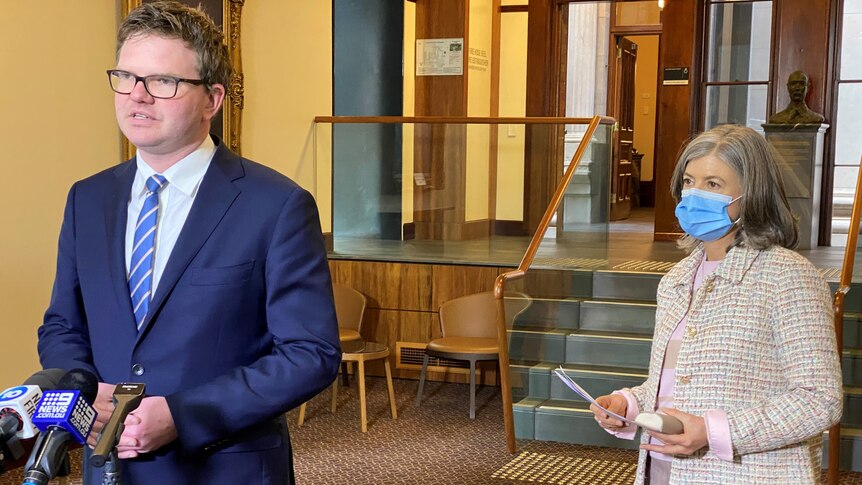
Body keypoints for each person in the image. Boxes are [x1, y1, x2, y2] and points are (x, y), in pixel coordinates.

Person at [36, 2, 341, 483]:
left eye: (163, 82)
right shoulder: (87, 199)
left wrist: (183, 414)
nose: (138, 96)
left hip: (224, 466)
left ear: (212, 99)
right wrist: (84, 389)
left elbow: (310, 353)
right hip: (108, 465)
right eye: (126, 77)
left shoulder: (276, 205)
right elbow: (61, 325)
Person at [589, 125, 842, 484]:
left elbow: (820, 400)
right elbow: (675, 384)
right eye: (689, 181)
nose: (694, 196)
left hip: (749, 474)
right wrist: (630, 404)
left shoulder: (788, 276)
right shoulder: (676, 279)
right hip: (667, 469)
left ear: (750, 195)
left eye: (713, 185)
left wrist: (714, 431)